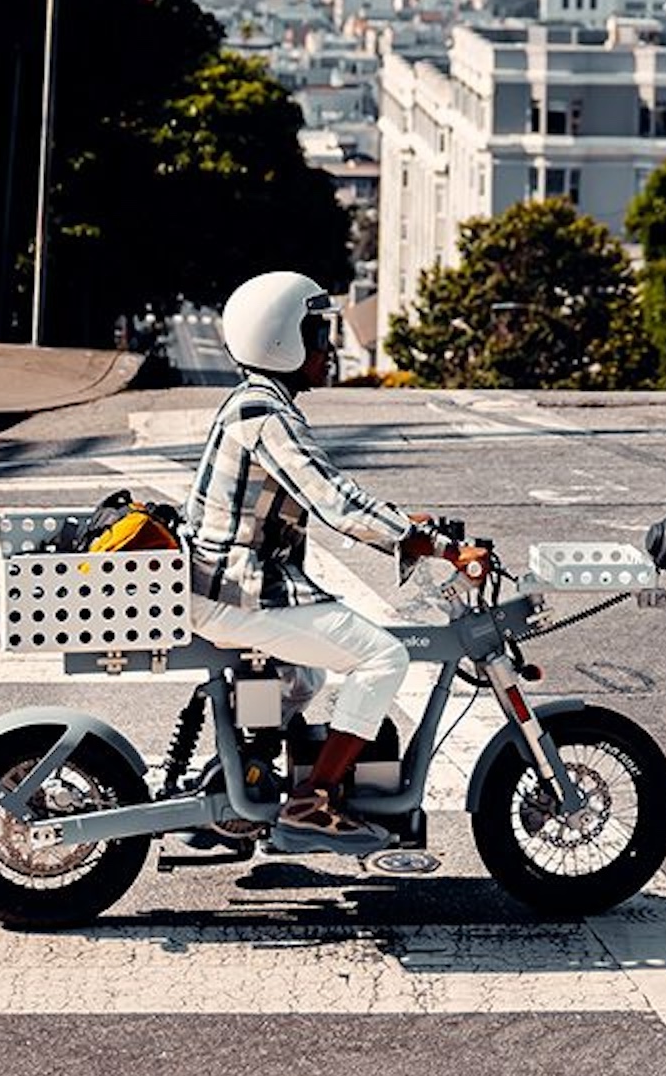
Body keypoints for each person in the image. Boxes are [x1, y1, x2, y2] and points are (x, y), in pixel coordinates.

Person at [182, 270, 483, 842]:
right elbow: (335, 500)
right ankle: (309, 802)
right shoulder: (264, 415)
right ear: (281, 339)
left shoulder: (261, 404)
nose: (327, 349)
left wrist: (407, 526)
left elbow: (331, 495)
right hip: (237, 588)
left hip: (231, 585)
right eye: (317, 334)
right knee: (383, 660)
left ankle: (245, 780)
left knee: (305, 679)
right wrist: (441, 547)